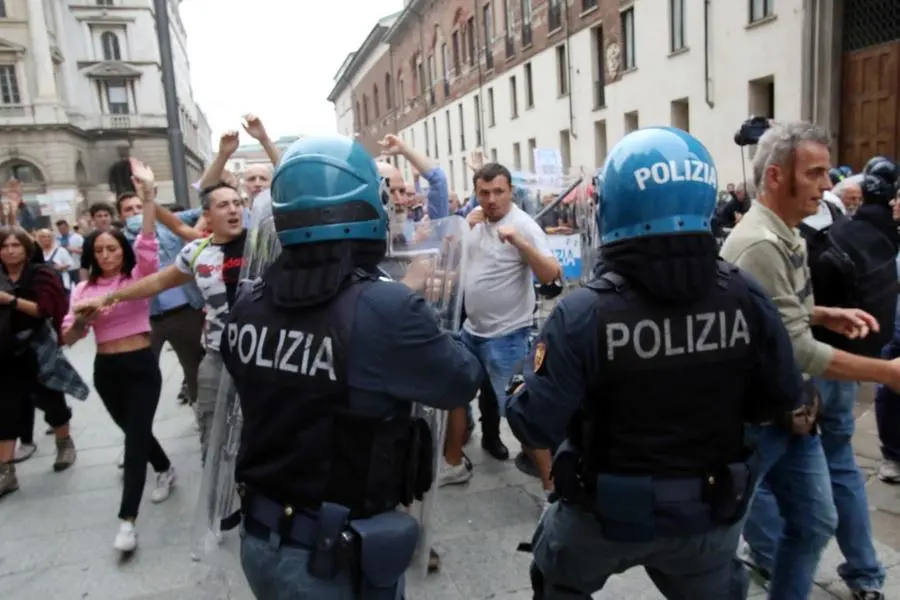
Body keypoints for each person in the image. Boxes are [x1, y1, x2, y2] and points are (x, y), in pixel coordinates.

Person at [507, 127, 813, 599]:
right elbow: (780, 397)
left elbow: (535, 424)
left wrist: (522, 384)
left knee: (557, 580)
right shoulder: (745, 295)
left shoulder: (583, 313)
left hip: (599, 515)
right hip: (706, 515)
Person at [215, 135, 483, 598]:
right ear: (365, 210)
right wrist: (417, 302)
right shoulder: (384, 309)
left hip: (260, 539)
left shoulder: (249, 305)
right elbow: (461, 380)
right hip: (330, 556)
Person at [721, 123, 900, 600]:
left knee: (816, 520)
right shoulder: (759, 243)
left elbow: (777, 314)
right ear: (776, 177)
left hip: (791, 411)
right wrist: (886, 373)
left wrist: (824, 312)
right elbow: (796, 347)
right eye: (816, 173)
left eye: (826, 172)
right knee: (717, 536)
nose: (828, 185)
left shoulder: (786, 234)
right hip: (757, 419)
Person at [66, 160, 177, 552]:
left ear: (121, 250)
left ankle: (127, 520)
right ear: (93, 256)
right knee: (136, 432)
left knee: (133, 444)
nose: (108, 254)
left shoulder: (135, 279)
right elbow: (68, 335)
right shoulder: (82, 292)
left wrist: (148, 195)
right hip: (106, 369)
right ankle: (164, 468)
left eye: (113, 247)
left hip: (141, 366)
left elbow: (147, 239)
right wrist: (82, 322)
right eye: (100, 250)